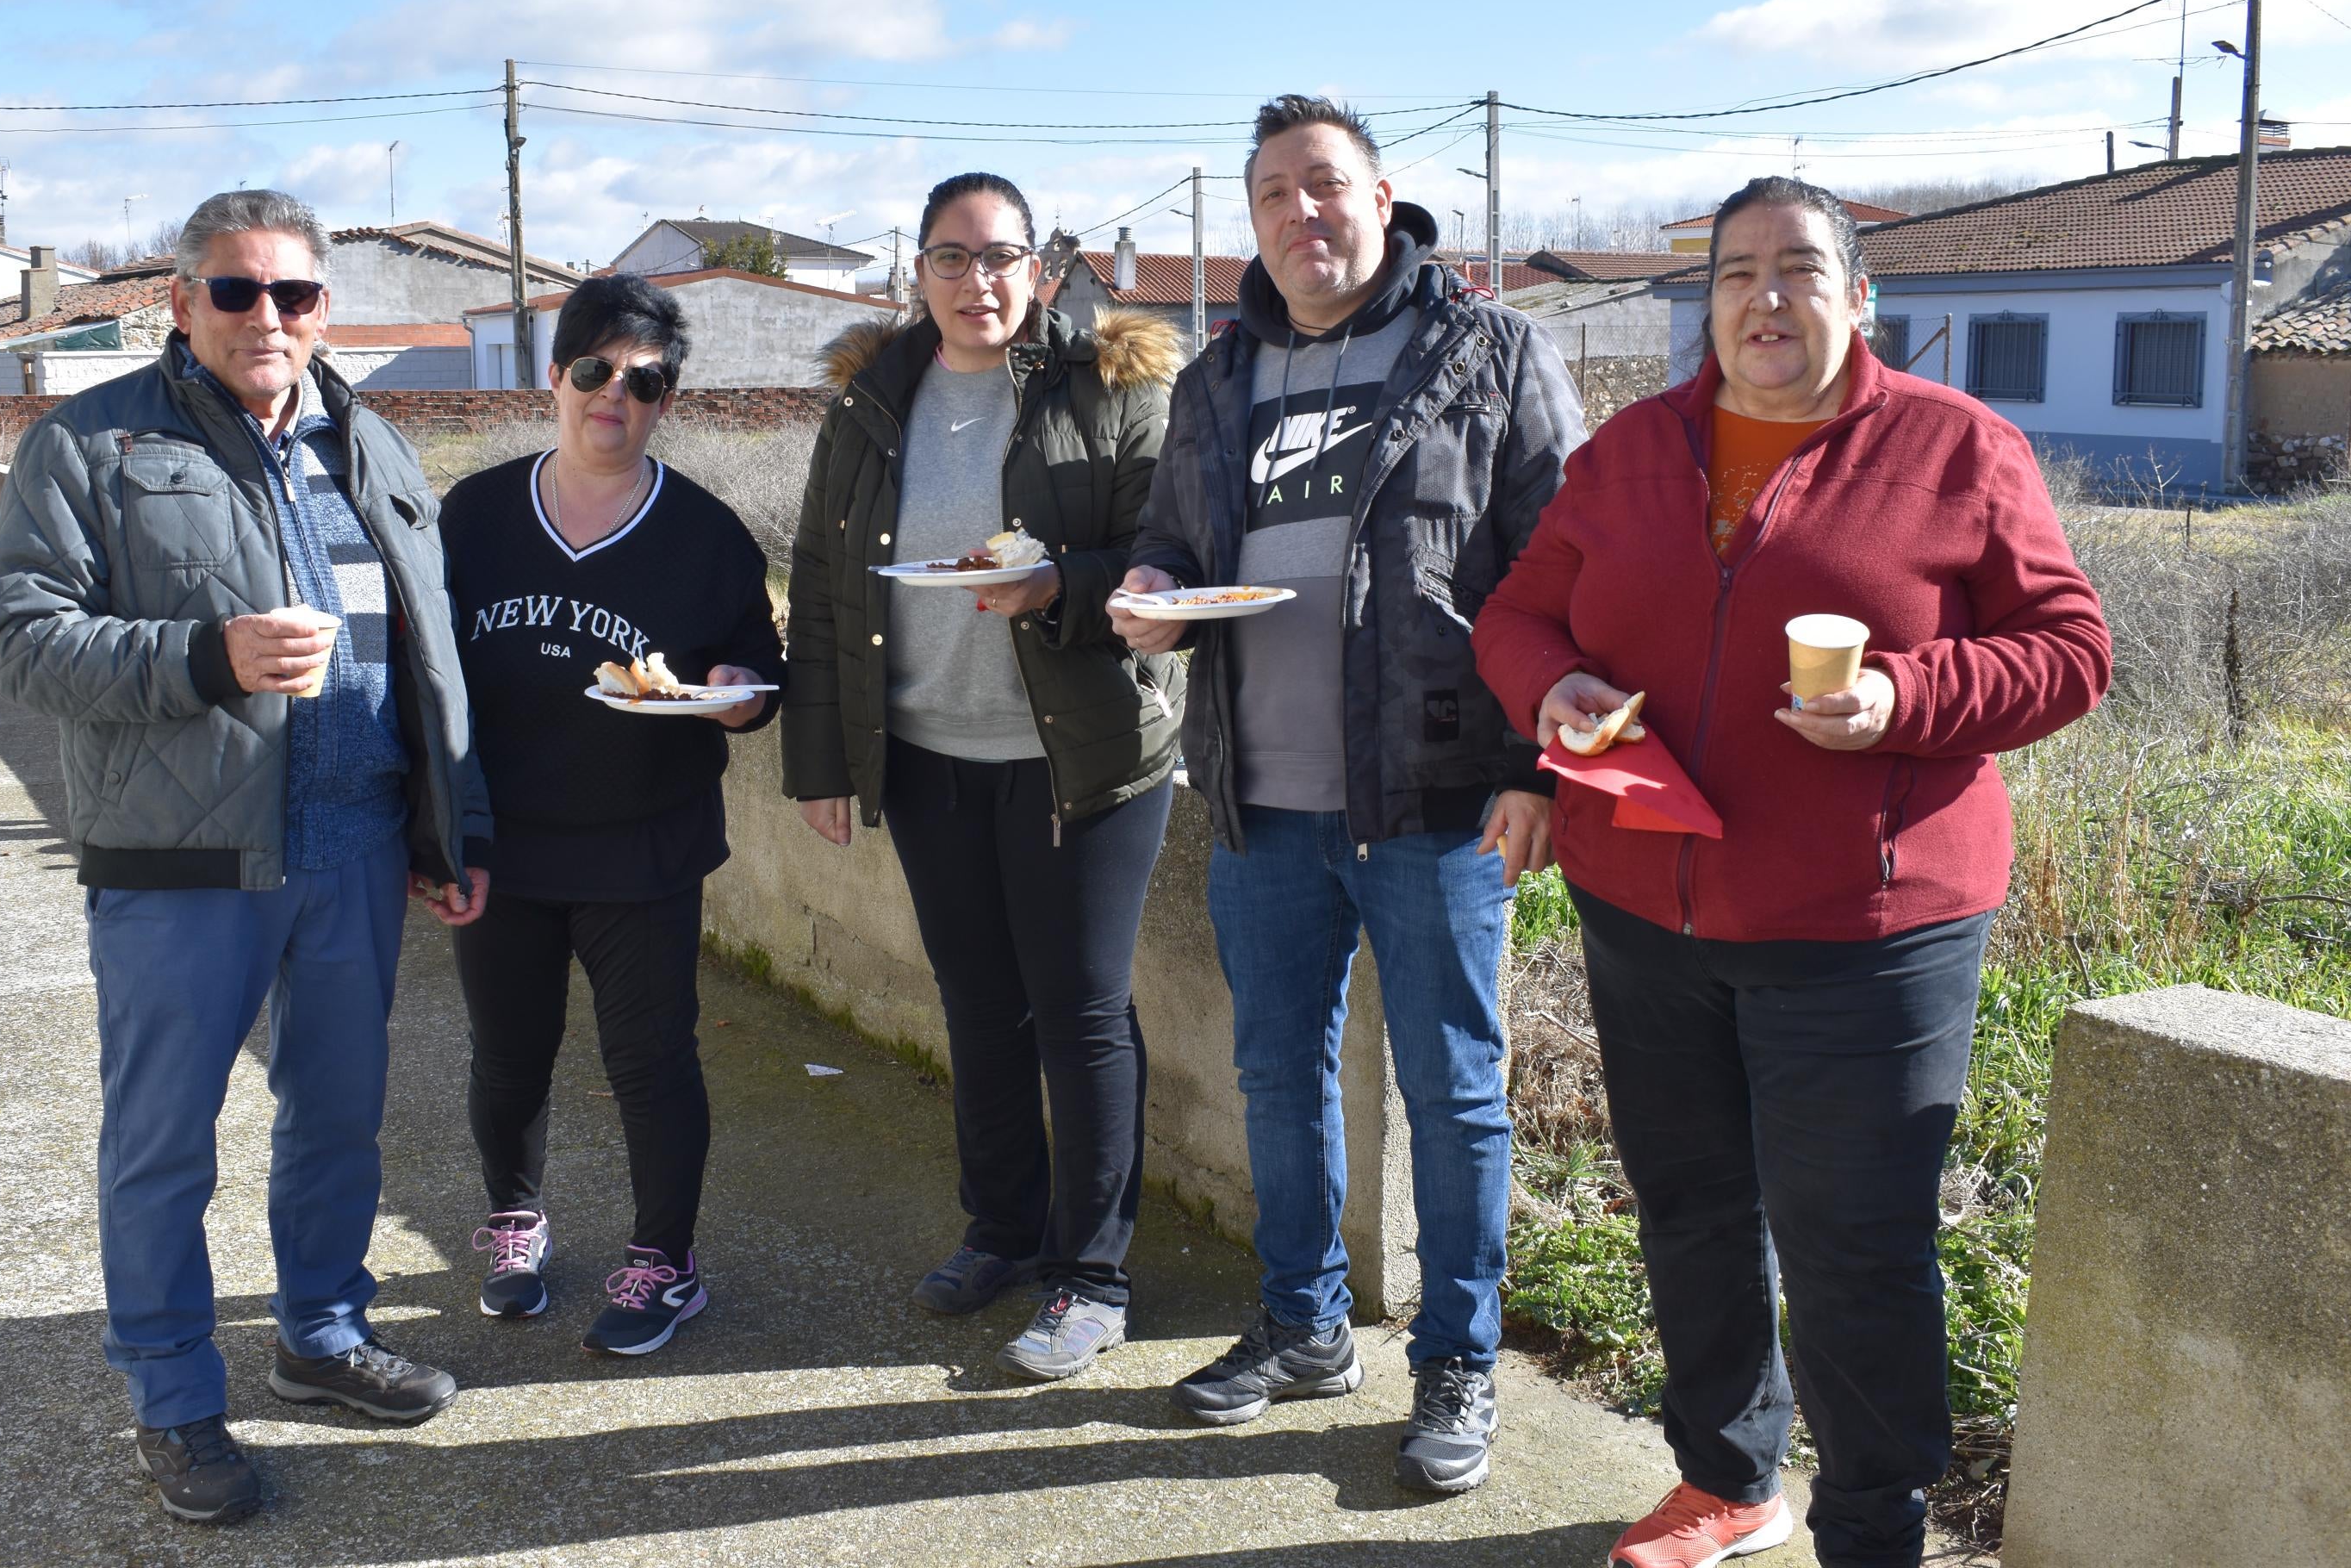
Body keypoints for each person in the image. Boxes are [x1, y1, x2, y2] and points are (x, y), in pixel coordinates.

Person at [1471, 176, 2111, 1568]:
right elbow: (1517, 615)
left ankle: (1873, 1532)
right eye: (1736, 272)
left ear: (1860, 295)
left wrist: (1909, 697)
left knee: (1856, 1247)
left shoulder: (1957, 450)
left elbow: (2071, 652)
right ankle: (1726, 1478)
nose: (1767, 297)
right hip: (1645, 905)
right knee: (1693, 1209)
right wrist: (1558, 690)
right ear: (1704, 305)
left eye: (1802, 269)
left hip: (1865, 929)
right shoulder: (1633, 451)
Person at [0, 190, 492, 1526]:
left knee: (337, 1118)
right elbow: (19, 639)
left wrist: (450, 827)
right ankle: (170, 1397)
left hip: (359, 850)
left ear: (326, 310)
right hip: (180, 862)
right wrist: (204, 658)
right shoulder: (89, 444)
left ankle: (319, 1336)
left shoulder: (368, 444)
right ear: (181, 304)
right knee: (162, 1143)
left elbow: (429, 657)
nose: (270, 318)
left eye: (297, 295)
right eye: (238, 292)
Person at [1110, 95, 1587, 1494]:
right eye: (1272, 195)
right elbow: (1168, 538)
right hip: (1261, 796)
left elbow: (1571, 571)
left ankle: (1456, 1363)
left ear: (1384, 199)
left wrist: (1542, 775)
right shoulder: (1220, 376)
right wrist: (1149, 595)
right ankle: (1307, 1326)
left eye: (1324, 186)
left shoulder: (1490, 352)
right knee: (1276, 1075)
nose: (1300, 215)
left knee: (1453, 1092)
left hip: (1441, 797)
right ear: (1251, 219)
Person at [783, 171, 1185, 1381]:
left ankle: (1092, 1275)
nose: (978, 281)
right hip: (926, 756)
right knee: (978, 1005)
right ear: (918, 272)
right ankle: (1003, 1232)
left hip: (1084, 756)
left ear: (1043, 272)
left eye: (1002, 256)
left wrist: (1064, 581)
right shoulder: (870, 404)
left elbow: (1172, 546)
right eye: (951, 259)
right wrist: (821, 757)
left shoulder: (1108, 388)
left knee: (1079, 1011)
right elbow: (820, 579)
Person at [438, 273, 781, 1357]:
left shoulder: (710, 535)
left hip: (645, 842)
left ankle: (665, 1263)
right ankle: (514, 1223)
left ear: (666, 399)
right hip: (505, 844)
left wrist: (737, 692)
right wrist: (434, 829)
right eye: (595, 370)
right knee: (509, 1054)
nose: (615, 396)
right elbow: (426, 676)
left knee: (651, 1061)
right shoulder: (476, 516)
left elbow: (761, 673)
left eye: (646, 381)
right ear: (556, 375)